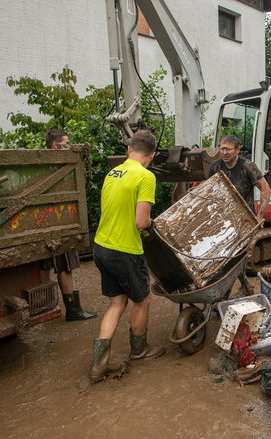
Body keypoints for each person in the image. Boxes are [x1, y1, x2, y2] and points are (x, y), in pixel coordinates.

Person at [90, 129, 165, 383]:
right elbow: (141, 222)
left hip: (101, 247)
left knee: (116, 303)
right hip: (124, 250)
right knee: (143, 299)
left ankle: (99, 365)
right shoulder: (145, 177)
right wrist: (153, 224)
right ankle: (140, 350)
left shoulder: (113, 173)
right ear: (152, 155)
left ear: (129, 150)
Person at [40, 129, 96, 321]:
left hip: (46, 224)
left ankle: (50, 307)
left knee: (49, 266)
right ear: (55, 145)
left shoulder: (42, 163)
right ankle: (72, 310)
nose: (70, 147)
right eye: (66, 143)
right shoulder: (57, 165)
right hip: (59, 223)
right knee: (65, 265)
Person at [207, 134, 271, 294]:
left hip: (243, 220)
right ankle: (242, 286)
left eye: (228, 149)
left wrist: (259, 216)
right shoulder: (215, 166)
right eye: (222, 148)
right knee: (224, 256)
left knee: (234, 255)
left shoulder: (247, 167)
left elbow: (266, 189)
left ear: (237, 150)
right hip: (222, 219)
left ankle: (225, 292)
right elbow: (208, 189)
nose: (224, 152)